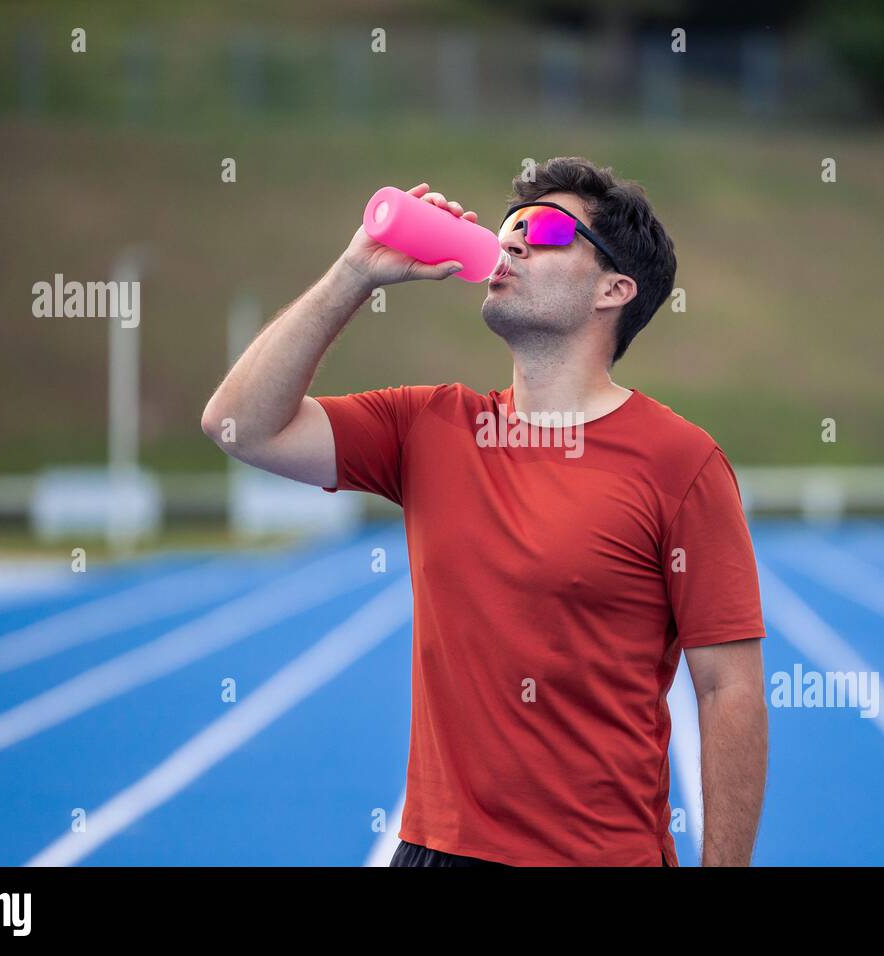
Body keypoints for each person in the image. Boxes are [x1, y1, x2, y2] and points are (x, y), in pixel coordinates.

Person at [202, 157, 768, 867]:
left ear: (614, 289)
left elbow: (728, 689)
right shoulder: (429, 426)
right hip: (434, 851)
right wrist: (355, 273)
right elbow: (240, 425)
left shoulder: (681, 463)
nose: (513, 242)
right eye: (510, 228)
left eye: (550, 230)